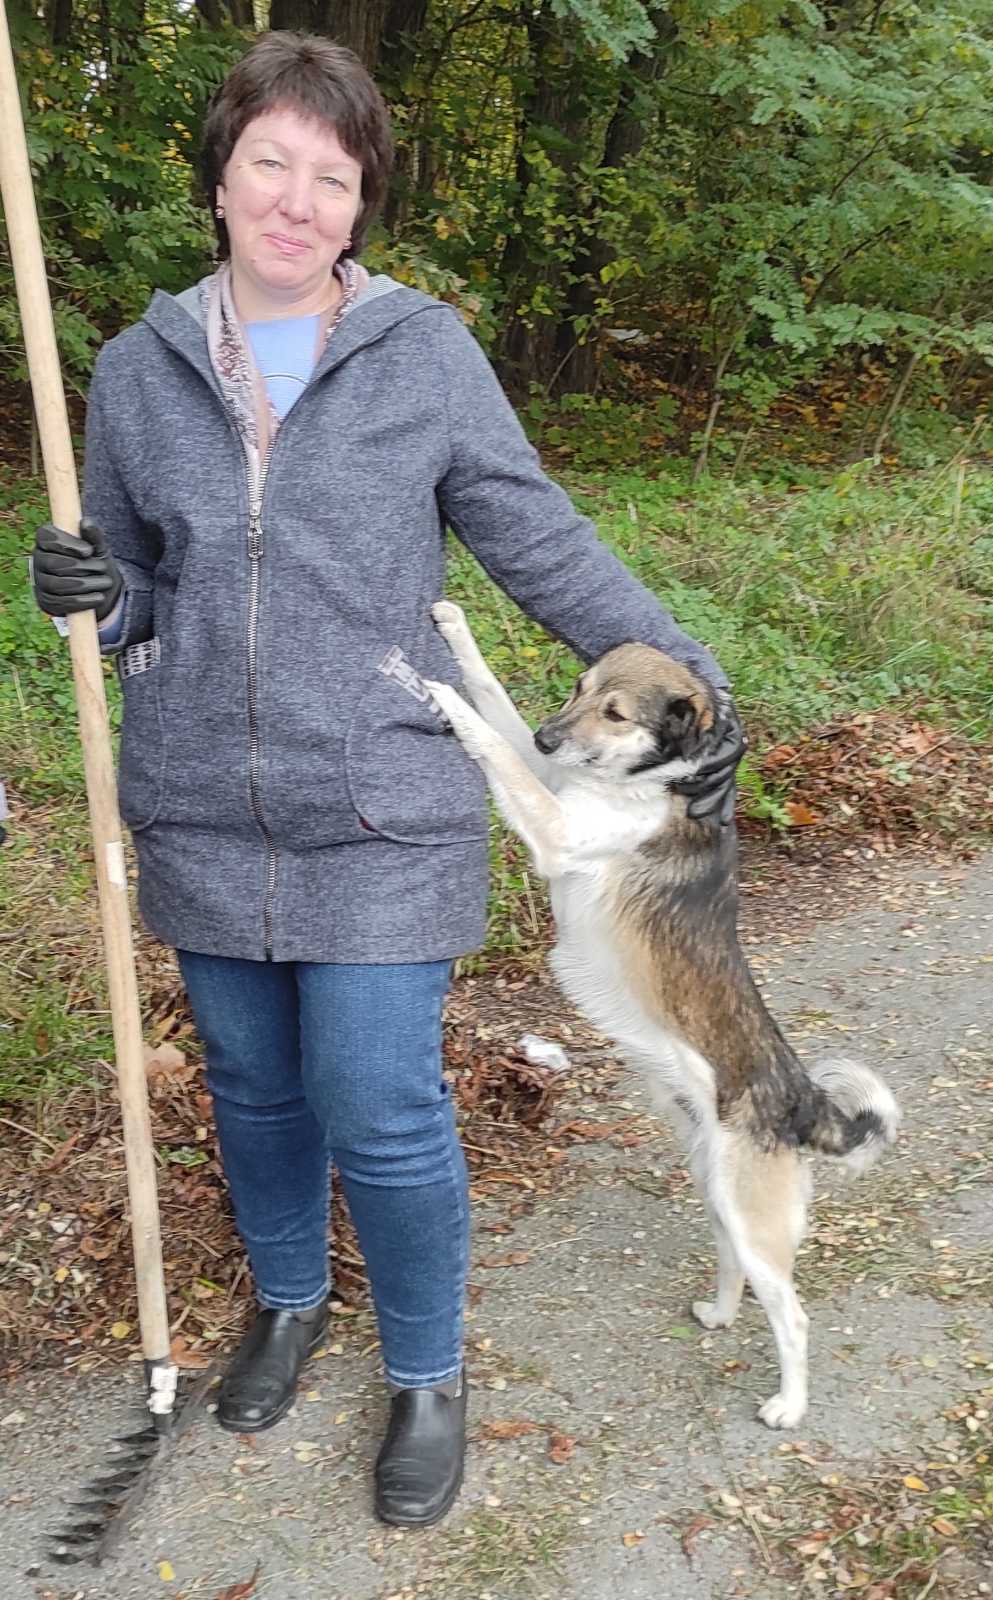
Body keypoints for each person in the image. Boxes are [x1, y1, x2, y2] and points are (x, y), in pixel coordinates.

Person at [31, 31, 745, 1528]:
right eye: (270, 164)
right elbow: (141, 583)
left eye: (332, 177)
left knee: (376, 1098)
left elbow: (535, 534)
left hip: (379, 795)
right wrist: (96, 593)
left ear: (361, 204)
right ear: (221, 177)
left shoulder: (422, 355)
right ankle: (290, 1300)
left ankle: (425, 1369)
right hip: (202, 798)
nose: (296, 201)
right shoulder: (136, 366)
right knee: (252, 1088)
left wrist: (683, 672)